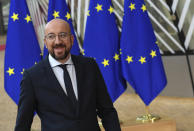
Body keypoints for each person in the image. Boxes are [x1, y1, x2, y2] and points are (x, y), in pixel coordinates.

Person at [14, 18, 121, 131]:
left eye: (63, 35)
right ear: (45, 42)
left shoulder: (90, 66)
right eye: (51, 36)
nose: (57, 41)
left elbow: (107, 111)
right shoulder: (32, 77)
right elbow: (23, 125)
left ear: (71, 39)